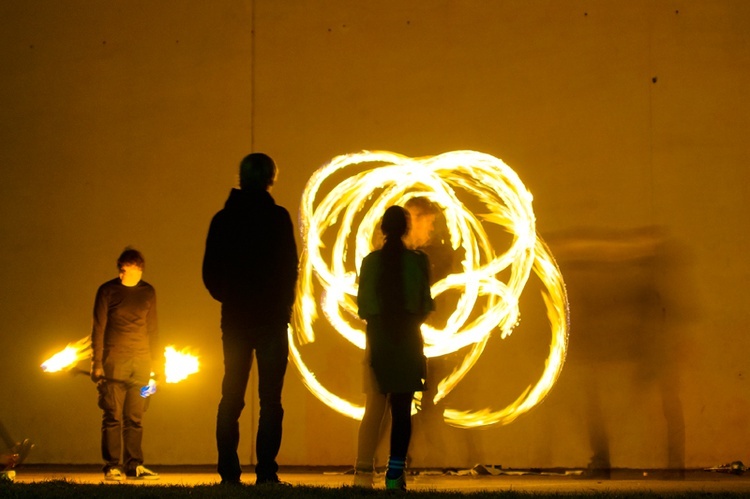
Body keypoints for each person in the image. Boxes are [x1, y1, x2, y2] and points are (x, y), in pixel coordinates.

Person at [202, 153, 298, 486]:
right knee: (271, 400)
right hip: (271, 320)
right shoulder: (277, 218)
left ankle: (229, 474)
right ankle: (267, 473)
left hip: (237, 321)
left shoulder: (223, 219)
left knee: (232, 396)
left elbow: (210, 273)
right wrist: (283, 306)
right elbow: (290, 269)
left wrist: (232, 297)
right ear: (271, 178)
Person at [355, 205, 434, 491]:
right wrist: (410, 323)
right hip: (408, 339)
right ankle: (394, 476)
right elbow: (425, 304)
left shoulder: (370, 262)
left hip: (379, 340)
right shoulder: (417, 261)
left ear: (382, 229)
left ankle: (362, 475)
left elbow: (364, 307)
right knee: (402, 410)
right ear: (406, 229)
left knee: (374, 408)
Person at [90, 248, 160, 481]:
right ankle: (112, 466)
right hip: (114, 363)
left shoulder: (148, 292)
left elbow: (153, 330)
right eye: (119, 270)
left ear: (137, 269)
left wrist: (157, 365)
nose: (120, 275)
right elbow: (98, 328)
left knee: (136, 416)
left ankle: (134, 465)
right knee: (112, 414)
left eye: (124, 270)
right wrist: (97, 363)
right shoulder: (107, 291)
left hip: (141, 363)